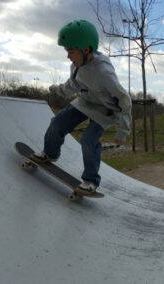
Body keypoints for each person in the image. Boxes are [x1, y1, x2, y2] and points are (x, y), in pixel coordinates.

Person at [31, 19, 132, 194]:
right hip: (85, 102)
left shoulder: (103, 72)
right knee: (57, 123)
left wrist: (123, 130)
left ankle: (90, 180)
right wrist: (58, 90)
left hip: (105, 111)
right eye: (66, 50)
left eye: (71, 51)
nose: (68, 56)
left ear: (86, 50)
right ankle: (50, 153)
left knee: (88, 140)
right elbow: (73, 85)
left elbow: (124, 99)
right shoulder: (76, 66)